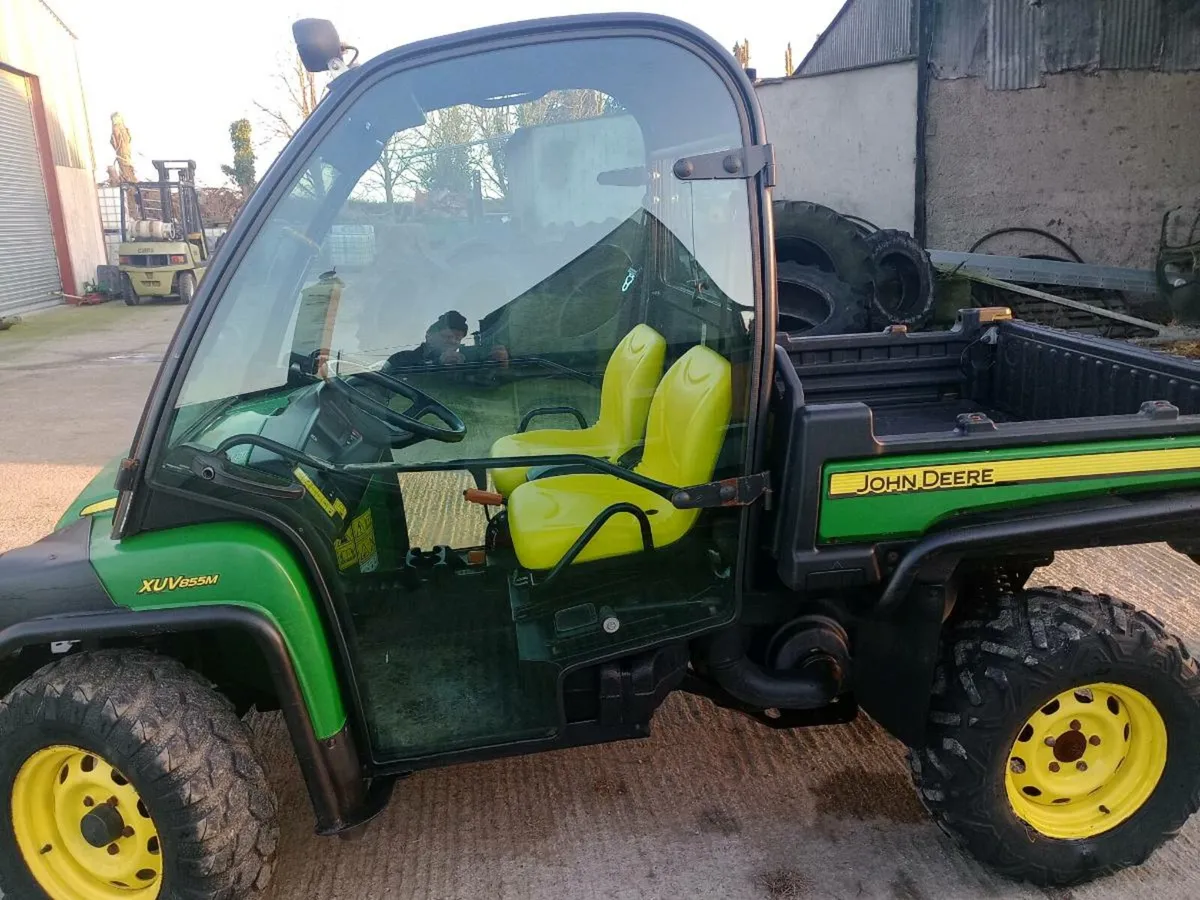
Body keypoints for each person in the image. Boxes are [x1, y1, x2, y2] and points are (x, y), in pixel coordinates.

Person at [384, 310, 508, 372]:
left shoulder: (464, 363)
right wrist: (437, 365)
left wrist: (499, 367)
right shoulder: (400, 359)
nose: (454, 341)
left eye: (458, 338)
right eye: (447, 337)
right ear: (429, 336)